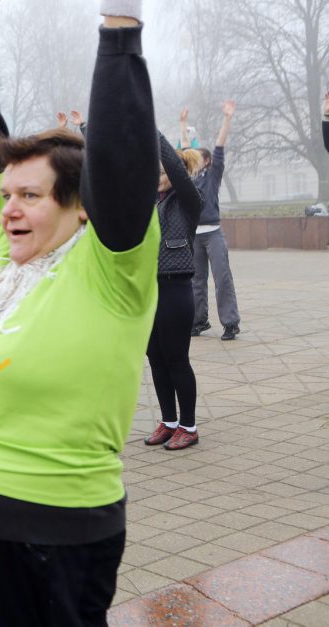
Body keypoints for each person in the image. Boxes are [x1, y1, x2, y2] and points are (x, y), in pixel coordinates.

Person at [0, 1, 160, 622]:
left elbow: (121, 152)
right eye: (7, 196)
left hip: (46, 534)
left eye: (31, 195)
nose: (9, 209)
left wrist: (120, 24)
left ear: (81, 205)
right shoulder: (6, 248)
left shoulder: (111, 264)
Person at [142, 136, 204, 451]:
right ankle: (168, 422)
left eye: (164, 171)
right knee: (155, 356)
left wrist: (152, 131)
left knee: (177, 358)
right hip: (148, 290)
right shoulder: (148, 203)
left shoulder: (188, 202)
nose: (158, 176)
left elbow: (176, 174)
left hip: (176, 288)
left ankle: (189, 426)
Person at [184, 101, 241, 341]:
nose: (194, 159)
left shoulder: (212, 176)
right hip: (194, 235)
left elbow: (219, 145)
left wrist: (227, 118)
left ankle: (230, 323)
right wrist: (182, 124)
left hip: (214, 233)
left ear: (207, 161)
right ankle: (199, 321)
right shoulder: (189, 178)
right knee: (196, 281)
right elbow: (184, 154)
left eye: (199, 157)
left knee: (222, 278)